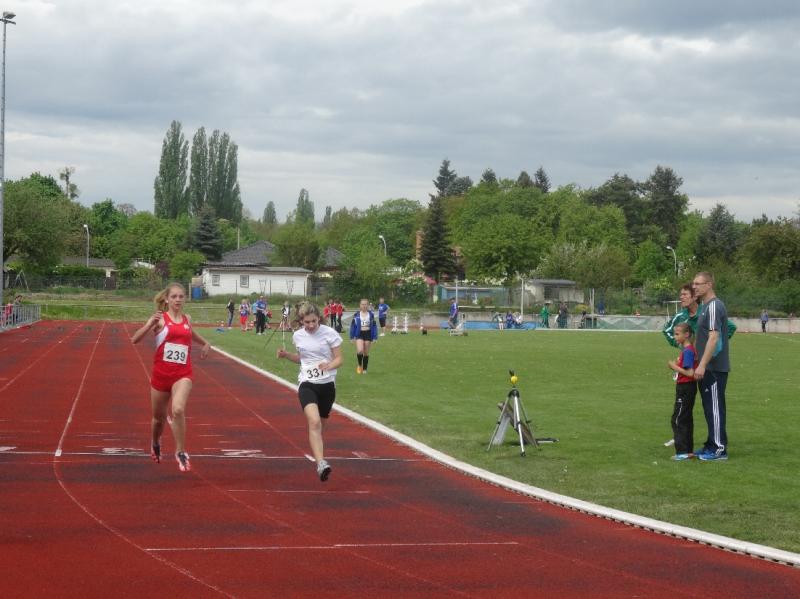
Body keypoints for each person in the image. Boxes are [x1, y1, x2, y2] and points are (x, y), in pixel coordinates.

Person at [130, 282, 211, 472]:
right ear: (167, 299)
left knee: (178, 409)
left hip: (183, 374)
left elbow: (190, 333)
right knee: (158, 419)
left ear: (185, 299)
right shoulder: (160, 319)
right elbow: (134, 339)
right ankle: (155, 442)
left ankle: (180, 451)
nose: (177, 300)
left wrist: (205, 343)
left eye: (181, 296)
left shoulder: (187, 319)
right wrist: (149, 324)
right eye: (174, 296)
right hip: (161, 375)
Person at [277, 302, 343, 481]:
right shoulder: (298, 336)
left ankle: (318, 451)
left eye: (314, 321)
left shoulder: (330, 333)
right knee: (314, 422)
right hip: (307, 383)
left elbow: (339, 359)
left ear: (319, 318)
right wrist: (286, 355)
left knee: (320, 427)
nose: (311, 325)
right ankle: (321, 463)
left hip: (327, 385)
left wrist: (329, 366)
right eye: (307, 322)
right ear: (301, 321)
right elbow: (302, 359)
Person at [692, 272, 731, 461]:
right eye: (693, 284)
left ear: (709, 284)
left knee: (715, 407)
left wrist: (702, 365)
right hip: (707, 367)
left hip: (714, 368)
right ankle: (711, 444)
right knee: (709, 407)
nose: (694, 287)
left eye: (698, 283)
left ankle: (719, 449)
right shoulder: (705, 307)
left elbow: (714, 338)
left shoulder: (714, 306)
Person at [663, 283, 737, 347]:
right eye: (681, 295)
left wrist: (714, 344)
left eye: (685, 294)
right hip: (689, 357)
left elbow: (731, 327)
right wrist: (679, 343)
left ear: (695, 297)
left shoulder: (708, 312)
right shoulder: (680, 316)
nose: (681, 297)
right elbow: (667, 330)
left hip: (708, 357)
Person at [666, 322, 698, 461]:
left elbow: (690, 373)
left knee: (678, 419)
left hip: (686, 388)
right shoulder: (687, 350)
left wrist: (674, 366)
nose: (675, 336)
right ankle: (688, 451)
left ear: (686, 334)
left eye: (677, 334)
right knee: (686, 418)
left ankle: (682, 452)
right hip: (686, 387)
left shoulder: (688, 351)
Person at [349, 298, 378, 374]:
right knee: (360, 350)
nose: (364, 306)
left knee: (366, 352)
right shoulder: (356, 315)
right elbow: (352, 326)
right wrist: (351, 337)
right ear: (360, 305)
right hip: (359, 334)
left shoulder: (371, 314)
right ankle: (359, 365)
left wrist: (375, 337)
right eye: (362, 304)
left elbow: (374, 326)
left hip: (368, 333)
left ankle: (364, 369)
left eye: (365, 304)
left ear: (368, 305)